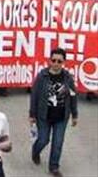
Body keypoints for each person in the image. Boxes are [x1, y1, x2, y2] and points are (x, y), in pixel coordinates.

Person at [30, 47, 80, 177]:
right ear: (49, 61)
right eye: (54, 60)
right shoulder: (42, 76)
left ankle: (54, 167)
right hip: (44, 115)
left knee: (58, 143)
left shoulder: (68, 78)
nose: (56, 63)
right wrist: (32, 114)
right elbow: (34, 95)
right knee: (43, 140)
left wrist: (75, 114)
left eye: (59, 61)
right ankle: (35, 151)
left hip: (61, 117)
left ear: (64, 62)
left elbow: (73, 95)